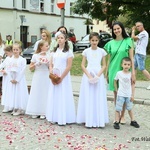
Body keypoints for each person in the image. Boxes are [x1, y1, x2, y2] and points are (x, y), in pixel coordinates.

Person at [104, 21, 135, 124]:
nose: (116, 30)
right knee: (116, 94)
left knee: (125, 93)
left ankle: (123, 116)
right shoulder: (110, 43)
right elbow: (109, 59)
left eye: (118, 28)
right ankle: (117, 115)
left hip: (125, 71)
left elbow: (131, 58)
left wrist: (133, 73)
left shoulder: (128, 41)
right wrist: (107, 72)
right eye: (114, 29)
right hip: (113, 70)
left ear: (122, 28)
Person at [76, 32, 109, 128]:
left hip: (98, 74)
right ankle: (88, 118)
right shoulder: (86, 51)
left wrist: (98, 75)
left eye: (96, 40)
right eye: (92, 40)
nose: (94, 42)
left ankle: (98, 119)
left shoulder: (102, 51)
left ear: (98, 41)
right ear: (89, 40)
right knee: (89, 95)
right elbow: (82, 65)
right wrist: (88, 76)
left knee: (98, 96)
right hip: (88, 73)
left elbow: (104, 65)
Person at [46, 31, 76, 125]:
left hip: (63, 75)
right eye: (58, 38)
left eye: (62, 38)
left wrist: (61, 77)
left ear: (66, 40)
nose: (60, 39)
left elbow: (69, 66)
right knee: (55, 95)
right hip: (55, 73)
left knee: (63, 94)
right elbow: (51, 63)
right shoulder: (54, 51)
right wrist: (51, 72)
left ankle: (63, 117)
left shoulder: (68, 52)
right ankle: (54, 116)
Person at [26, 40, 50, 119]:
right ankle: (35, 110)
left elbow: (51, 67)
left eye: (48, 46)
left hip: (46, 74)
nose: (48, 47)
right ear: (41, 47)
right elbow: (30, 68)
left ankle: (44, 111)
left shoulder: (49, 55)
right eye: (46, 46)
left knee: (45, 92)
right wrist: (37, 64)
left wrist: (47, 64)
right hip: (38, 74)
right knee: (36, 91)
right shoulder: (35, 56)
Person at [113, 57, 140, 129]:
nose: (126, 66)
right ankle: (116, 121)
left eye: (128, 64)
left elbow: (133, 84)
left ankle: (133, 121)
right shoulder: (119, 73)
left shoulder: (131, 74)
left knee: (130, 108)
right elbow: (115, 81)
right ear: (122, 65)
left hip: (128, 95)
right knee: (118, 108)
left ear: (130, 66)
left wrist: (132, 95)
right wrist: (116, 89)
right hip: (120, 94)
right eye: (125, 64)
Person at [4, 43, 28, 116]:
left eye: (17, 49)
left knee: (19, 92)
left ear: (20, 50)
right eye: (14, 49)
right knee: (13, 93)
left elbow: (22, 70)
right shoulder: (10, 60)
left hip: (19, 80)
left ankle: (20, 108)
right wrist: (11, 78)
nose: (15, 51)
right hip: (12, 78)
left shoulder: (22, 60)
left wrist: (17, 79)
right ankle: (15, 106)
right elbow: (7, 69)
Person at [131, 22, 150, 90]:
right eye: (136, 26)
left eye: (138, 26)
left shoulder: (144, 33)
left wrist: (133, 30)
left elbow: (133, 37)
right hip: (137, 53)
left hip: (140, 54)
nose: (137, 27)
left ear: (142, 26)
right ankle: (133, 82)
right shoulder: (141, 33)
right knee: (134, 67)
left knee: (142, 68)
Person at [0, 45, 13, 112]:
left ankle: (11, 105)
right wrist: (2, 70)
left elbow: (13, 69)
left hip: (10, 77)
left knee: (10, 91)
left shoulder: (13, 58)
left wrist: (6, 71)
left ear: (11, 51)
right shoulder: (7, 58)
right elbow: (2, 65)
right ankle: (6, 105)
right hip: (6, 77)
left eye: (7, 53)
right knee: (5, 90)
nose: (6, 54)